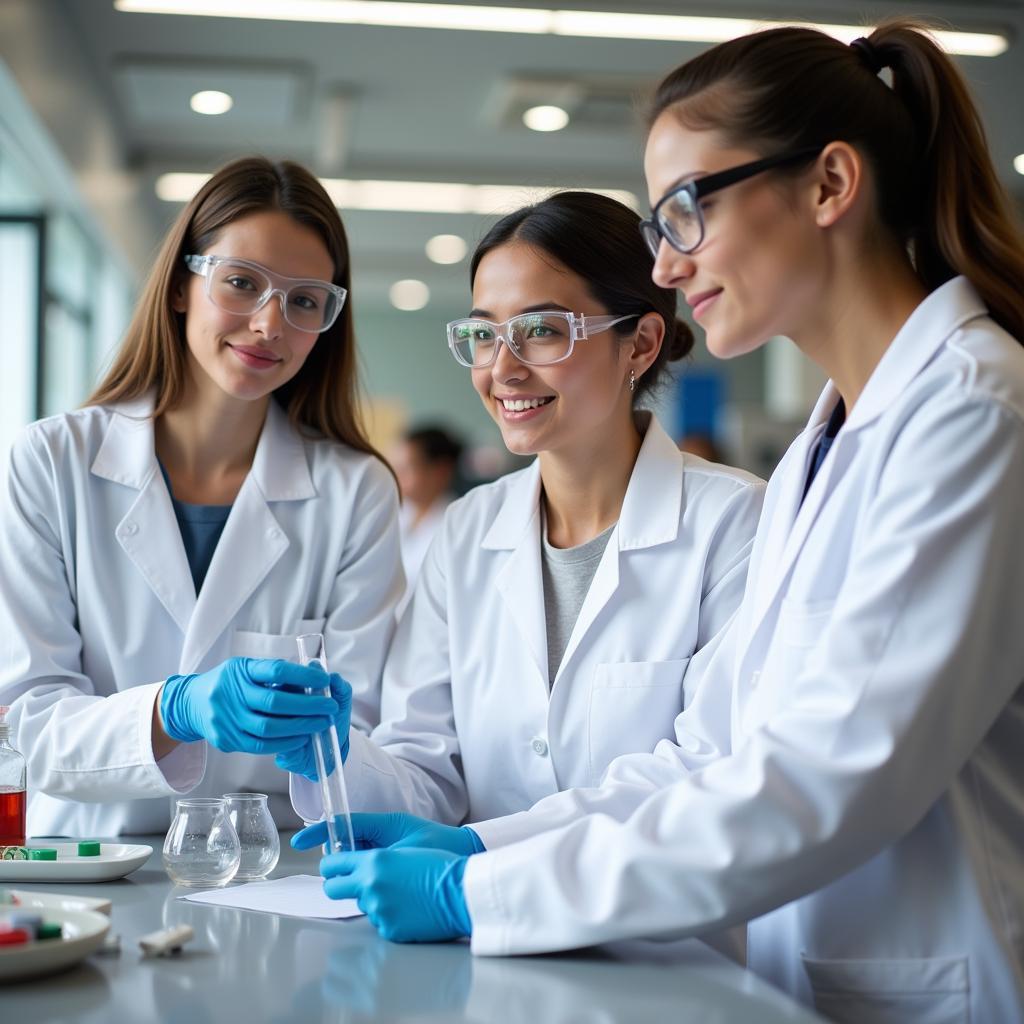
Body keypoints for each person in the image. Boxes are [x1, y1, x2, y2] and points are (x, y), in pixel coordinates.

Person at [301, 22, 1024, 1023]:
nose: (669, 266)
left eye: (686, 210)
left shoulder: (973, 413)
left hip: (929, 984)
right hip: (792, 982)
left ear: (827, 185)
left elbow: (832, 774)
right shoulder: (835, 440)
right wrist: (484, 846)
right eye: (658, 226)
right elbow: (709, 750)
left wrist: (484, 891)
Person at [290, 192, 765, 898]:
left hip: (663, 942)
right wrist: (327, 755)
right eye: (484, 335)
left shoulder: (737, 521)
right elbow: (426, 766)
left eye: (541, 331)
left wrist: (481, 850)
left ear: (640, 343)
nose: (502, 369)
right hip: (471, 946)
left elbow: (705, 770)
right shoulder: (468, 530)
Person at [0, 156, 403, 837]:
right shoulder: (50, 461)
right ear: (183, 286)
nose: (271, 324)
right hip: (86, 860)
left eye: (305, 300)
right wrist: (172, 711)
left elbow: (365, 733)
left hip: (274, 867)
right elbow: (26, 721)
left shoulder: (354, 491)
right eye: (242, 283)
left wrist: (325, 744)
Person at [391, 424, 463, 613]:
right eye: (395, 467)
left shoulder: (459, 525)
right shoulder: (397, 514)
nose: (396, 476)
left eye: (406, 468)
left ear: (440, 471)